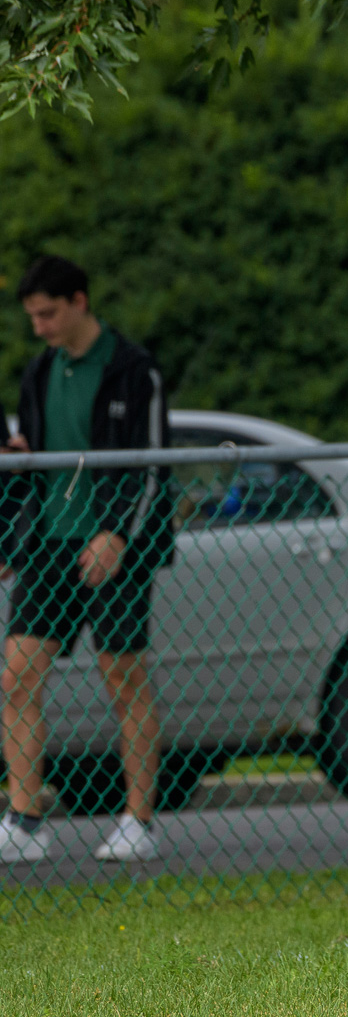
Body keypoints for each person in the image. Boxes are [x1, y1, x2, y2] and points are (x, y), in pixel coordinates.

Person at [0, 255, 175, 864]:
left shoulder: (134, 371)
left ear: (79, 301)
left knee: (123, 678)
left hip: (115, 551)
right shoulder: (38, 371)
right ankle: (24, 820)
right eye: (32, 317)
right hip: (49, 544)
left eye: (47, 314)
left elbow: (153, 468)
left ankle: (140, 821)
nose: (39, 327)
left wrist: (116, 535)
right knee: (15, 676)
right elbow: (32, 463)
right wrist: (7, 541)